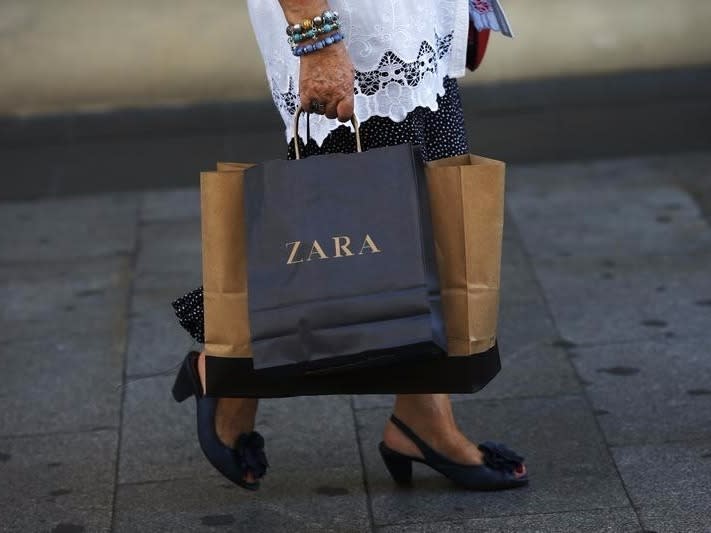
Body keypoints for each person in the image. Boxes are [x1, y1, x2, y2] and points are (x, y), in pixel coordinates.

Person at [171, 0, 527, 492]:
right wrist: (315, 39)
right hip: (356, 29)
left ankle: (421, 410)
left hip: (413, 21)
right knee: (356, 214)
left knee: (430, 211)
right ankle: (230, 367)